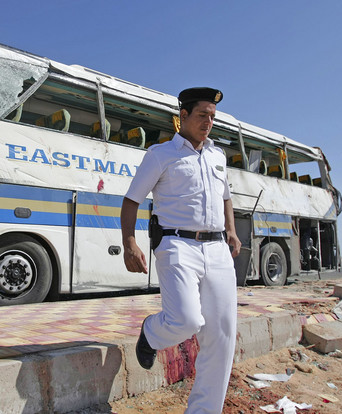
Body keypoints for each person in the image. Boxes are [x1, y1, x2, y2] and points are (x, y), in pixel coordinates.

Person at [120, 87, 241, 413]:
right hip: (176, 244)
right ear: (183, 116)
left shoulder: (218, 157)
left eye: (212, 117)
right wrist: (129, 243)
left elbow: (226, 197)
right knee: (186, 320)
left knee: (223, 333)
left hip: (216, 249)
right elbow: (132, 199)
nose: (208, 122)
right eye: (202, 115)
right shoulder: (161, 154)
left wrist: (230, 230)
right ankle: (151, 332)